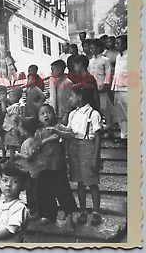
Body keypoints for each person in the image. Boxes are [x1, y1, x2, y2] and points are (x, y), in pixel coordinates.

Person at [49, 83, 103, 225]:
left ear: (80, 97)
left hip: (88, 148)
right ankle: (83, 211)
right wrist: (58, 129)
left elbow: (98, 136)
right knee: (79, 182)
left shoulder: (93, 113)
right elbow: (69, 133)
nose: (69, 99)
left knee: (91, 182)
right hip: (74, 148)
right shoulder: (73, 113)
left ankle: (96, 212)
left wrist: (96, 157)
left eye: (71, 96)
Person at [34, 104, 77, 231]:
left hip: (58, 165)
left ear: (54, 114)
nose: (46, 115)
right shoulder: (39, 132)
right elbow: (35, 147)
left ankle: (69, 218)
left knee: (63, 192)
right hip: (43, 167)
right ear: (38, 119)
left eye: (48, 112)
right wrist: (48, 139)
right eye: (42, 114)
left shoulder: (59, 127)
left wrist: (57, 132)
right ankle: (50, 215)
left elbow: (71, 135)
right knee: (45, 193)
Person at [14, 117, 41, 220]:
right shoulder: (34, 140)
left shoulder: (28, 142)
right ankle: (34, 210)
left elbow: (29, 157)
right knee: (32, 191)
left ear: (25, 130)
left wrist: (19, 155)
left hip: (31, 172)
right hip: (33, 171)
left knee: (32, 192)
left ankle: (35, 211)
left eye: (20, 127)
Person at [89, 39, 115, 135]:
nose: (91, 50)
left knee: (105, 108)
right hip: (92, 88)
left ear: (98, 48)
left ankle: (109, 129)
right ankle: (98, 129)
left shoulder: (105, 60)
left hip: (101, 88)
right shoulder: (90, 61)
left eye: (92, 48)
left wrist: (105, 84)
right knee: (96, 108)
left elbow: (108, 73)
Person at [111, 35, 128, 143]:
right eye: (115, 43)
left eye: (118, 43)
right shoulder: (118, 56)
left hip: (127, 89)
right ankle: (124, 135)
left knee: (129, 113)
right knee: (120, 114)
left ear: (125, 44)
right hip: (117, 88)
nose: (116, 45)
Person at [2, 87, 23, 161]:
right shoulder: (18, 106)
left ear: (15, 98)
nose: (9, 98)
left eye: (10, 97)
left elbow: (4, 110)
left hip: (11, 129)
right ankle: (13, 159)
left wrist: (2, 102)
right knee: (13, 145)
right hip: (12, 128)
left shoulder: (14, 107)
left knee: (12, 146)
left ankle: (12, 160)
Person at [50, 59, 73, 125]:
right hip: (58, 114)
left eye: (53, 70)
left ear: (59, 70)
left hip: (65, 115)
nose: (52, 73)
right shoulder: (56, 83)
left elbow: (70, 101)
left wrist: (66, 115)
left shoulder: (67, 83)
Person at [0, 85, 9, 162]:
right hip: (1, 123)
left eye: (3, 94)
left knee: (9, 140)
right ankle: (4, 155)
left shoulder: (7, 102)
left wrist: (3, 102)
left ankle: (12, 156)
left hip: (7, 123)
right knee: (2, 140)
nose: (1, 96)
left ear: (6, 93)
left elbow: (4, 111)